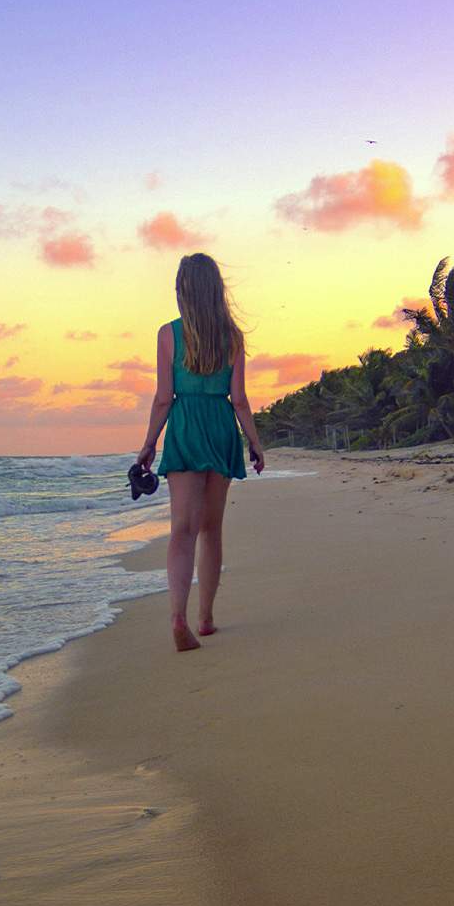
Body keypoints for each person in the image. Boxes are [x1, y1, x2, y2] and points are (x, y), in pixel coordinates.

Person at [135, 252, 266, 651]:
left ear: (182, 292)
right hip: (220, 426)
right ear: (216, 290)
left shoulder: (167, 334)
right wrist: (254, 442)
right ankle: (205, 618)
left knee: (182, 529)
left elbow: (163, 398)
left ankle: (178, 615)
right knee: (211, 528)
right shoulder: (233, 336)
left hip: (185, 426)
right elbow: (239, 398)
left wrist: (148, 445)